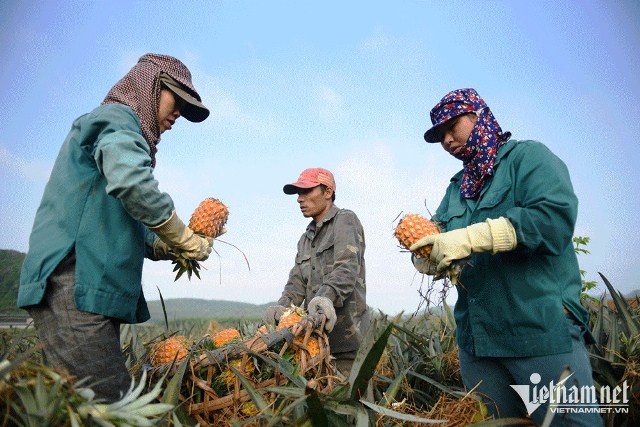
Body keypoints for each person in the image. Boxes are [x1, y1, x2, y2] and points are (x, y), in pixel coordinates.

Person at [18, 53, 213, 402]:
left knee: (78, 407)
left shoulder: (117, 131)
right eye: (177, 101)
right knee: (112, 407)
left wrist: (163, 245)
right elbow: (132, 183)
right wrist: (182, 236)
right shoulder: (118, 119)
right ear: (151, 86)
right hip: (76, 283)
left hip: (84, 287)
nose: (178, 115)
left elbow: (121, 218)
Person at [410, 88, 601, 426]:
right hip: (478, 345)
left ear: (479, 116)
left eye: (452, 126)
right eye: (440, 135)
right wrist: (425, 258)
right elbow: (436, 239)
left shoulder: (527, 159)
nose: (447, 140)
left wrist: (470, 237)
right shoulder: (456, 188)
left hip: (538, 332)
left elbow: (553, 220)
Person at [263, 168, 370, 376]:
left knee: (349, 403)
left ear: (327, 192)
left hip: (346, 342)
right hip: (313, 344)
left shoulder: (345, 220)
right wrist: (282, 308)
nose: (299, 199)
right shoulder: (305, 239)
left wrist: (325, 298)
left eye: (306, 192)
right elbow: (296, 283)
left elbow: (346, 268)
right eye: (298, 194)